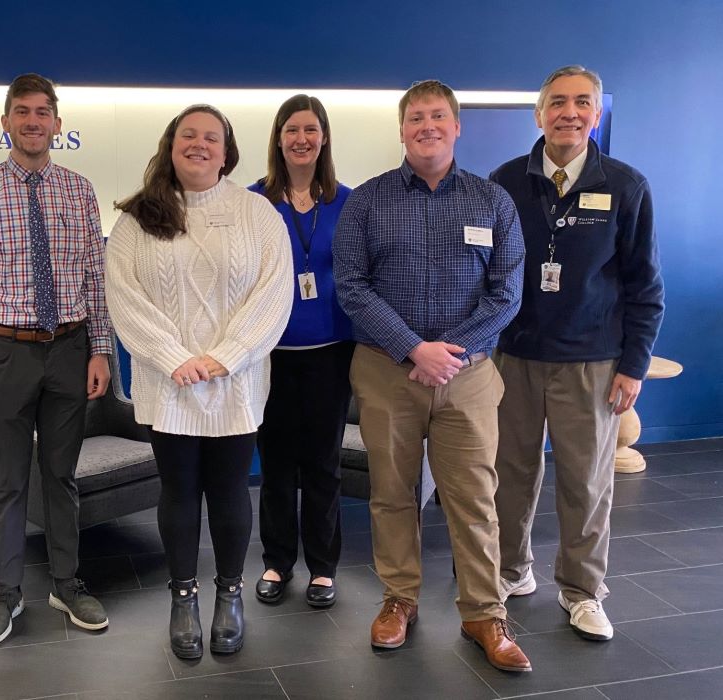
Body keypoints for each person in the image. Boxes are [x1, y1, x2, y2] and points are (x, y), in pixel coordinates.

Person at [333, 80, 532, 672]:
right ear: (401, 130)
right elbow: (352, 286)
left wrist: (453, 351)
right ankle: (400, 600)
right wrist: (414, 349)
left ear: (456, 125)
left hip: (468, 376)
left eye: (438, 116)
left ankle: (483, 613)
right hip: (387, 372)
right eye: (416, 117)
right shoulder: (366, 201)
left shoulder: (493, 201)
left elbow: (508, 292)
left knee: (473, 498)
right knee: (392, 495)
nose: (428, 126)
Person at [105, 104, 292, 659]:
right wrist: (174, 357)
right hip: (170, 387)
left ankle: (229, 594)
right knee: (179, 490)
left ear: (227, 150)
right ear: (170, 144)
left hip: (235, 384)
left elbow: (274, 293)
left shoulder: (257, 213)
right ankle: (183, 596)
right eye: (189, 135)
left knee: (231, 489)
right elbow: (124, 296)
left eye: (212, 137)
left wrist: (225, 356)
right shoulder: (138, 216)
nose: (200, 145)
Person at [490, 65, 664, 641]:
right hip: (513, 358)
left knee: (587, 483)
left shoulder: (626, 185)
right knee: (510, 474)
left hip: (592, 362)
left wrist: (633, 364)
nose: (569, 112)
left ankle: (583, 590)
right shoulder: (506, 181)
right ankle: (512, 572)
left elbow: (646, 287)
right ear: (539, 114)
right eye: (557, 102)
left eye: (581, 102)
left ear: (595, 113)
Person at [0, 73, 113, 647]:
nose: (34, 121)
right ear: (6, 123)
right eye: (23, 111)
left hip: (70, 349)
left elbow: (97, 278)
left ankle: (67, 583)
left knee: (60, 476)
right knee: (7, 481)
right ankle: (6, 593)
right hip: (3, 355)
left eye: (44, 112)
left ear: (58, 125)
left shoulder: (80, 190)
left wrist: (101, 349)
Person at [249, 94, 354, 608]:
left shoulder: (348, 201)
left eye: (311, 129)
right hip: (268, 354)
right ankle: (276, 561)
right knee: (275, 466)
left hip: (331, 353)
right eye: (292, 129)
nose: (301, 139)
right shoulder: (254, 201)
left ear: (324, 137)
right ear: (278, 138)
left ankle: (323, 566)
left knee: (323, 465)